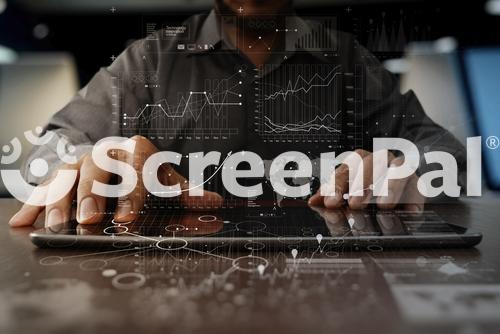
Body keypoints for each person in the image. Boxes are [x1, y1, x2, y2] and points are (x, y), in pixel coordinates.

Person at [9, 0, 466, 228]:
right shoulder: (148, 58)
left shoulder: (347, 60)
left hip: (328, 279)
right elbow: (42, 158)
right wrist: (97, 159)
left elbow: (446, 153)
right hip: (172, 279)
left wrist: (405, 166)